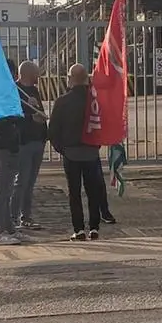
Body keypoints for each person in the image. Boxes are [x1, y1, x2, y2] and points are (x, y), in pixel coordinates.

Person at [48, 64, 113, 241]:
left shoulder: (62, 101)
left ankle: (79, 230)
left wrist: (62, 149)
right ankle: (94, 227)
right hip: (91, 152)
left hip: (71, 153)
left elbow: (53, 130)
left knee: (74, 192)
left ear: (70, 79)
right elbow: (103, 124)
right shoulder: (95, 100)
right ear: (87, 78)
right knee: (93, 191)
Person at [0, 61, 48, 245]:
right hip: (3, 146)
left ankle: (10, 229)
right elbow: (4, 121)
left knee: (7, 190)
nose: (14, 79)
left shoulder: (9, 93)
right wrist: (29, 116)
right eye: (12, 75)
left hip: (13, 145)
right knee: (3, 191)